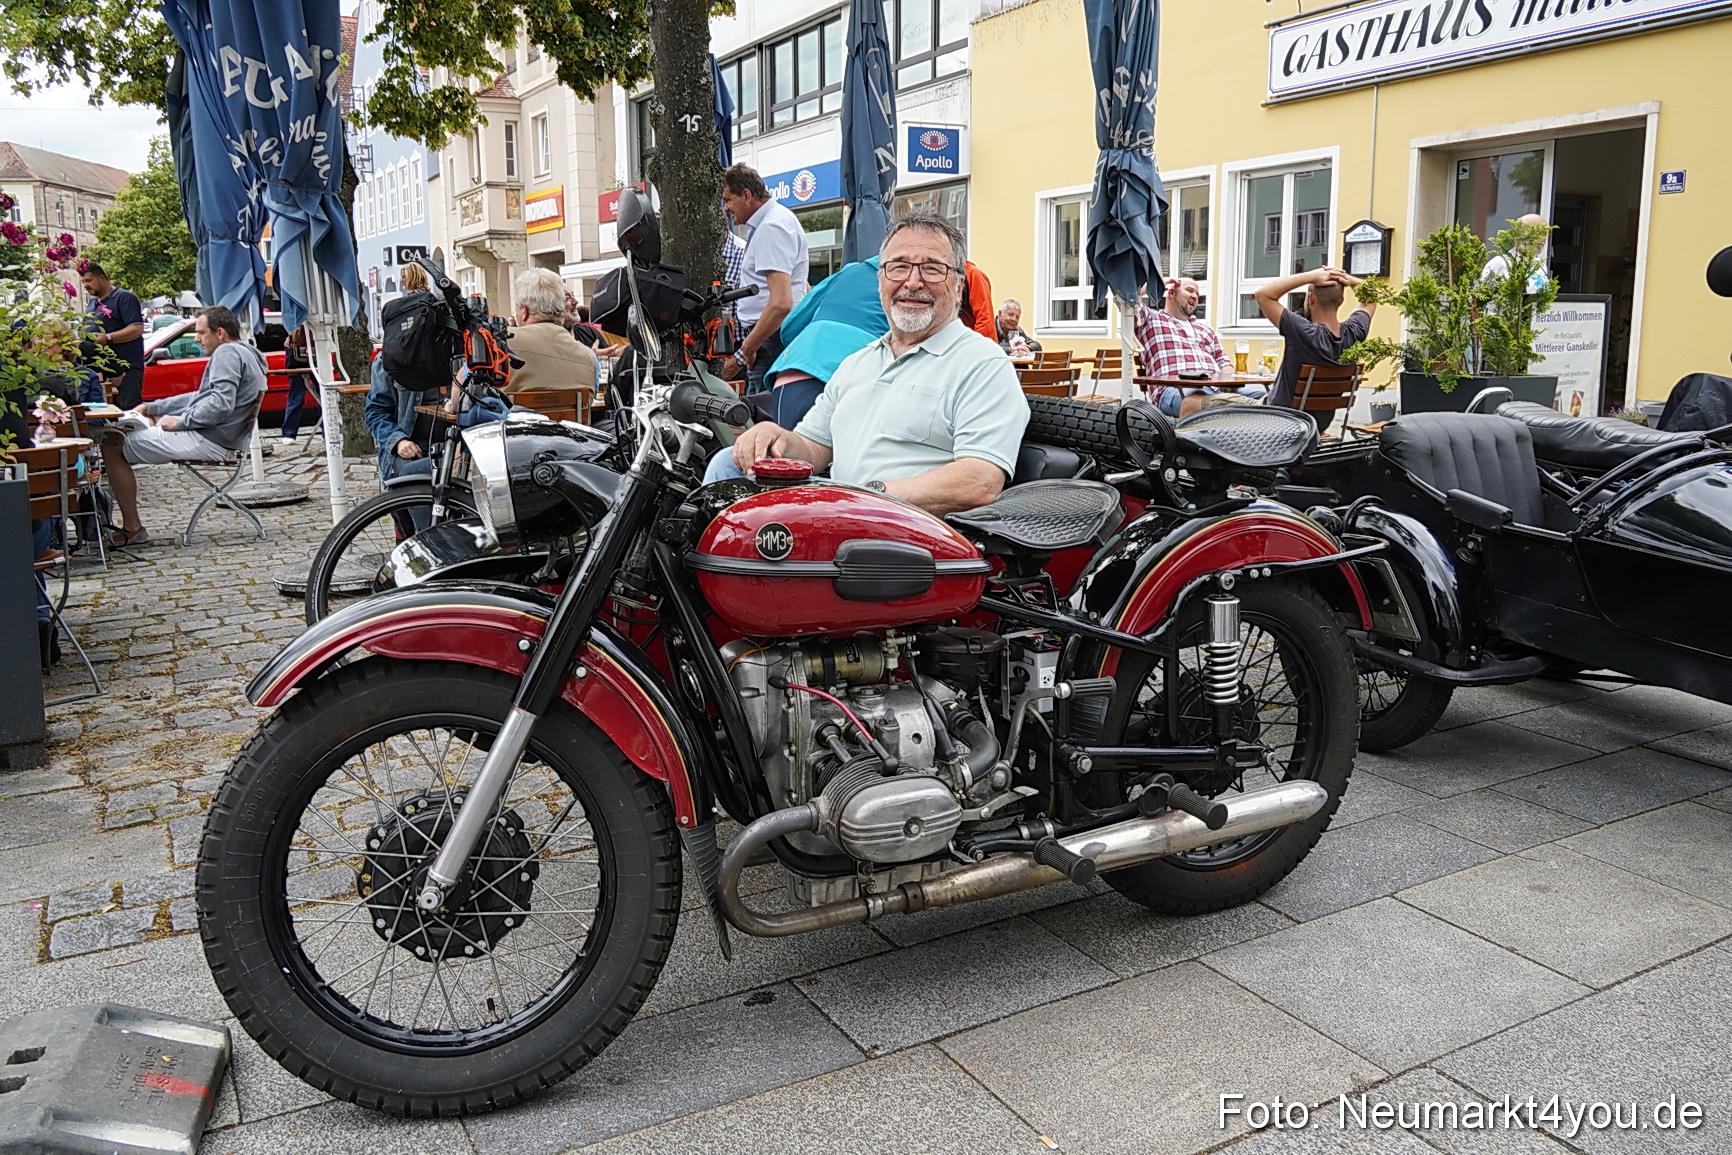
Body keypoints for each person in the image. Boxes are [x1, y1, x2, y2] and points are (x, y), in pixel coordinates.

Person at [712, 212, 1028, 517]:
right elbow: (812, 447)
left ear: (959, 286)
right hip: (837, 515)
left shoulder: (983, 363)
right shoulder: (857, 362)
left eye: (932, 269)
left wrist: (869, 495)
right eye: (898, 267)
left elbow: (979, 481)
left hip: (906, 537)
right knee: (726, 464)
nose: (913, 282)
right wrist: (774, 435)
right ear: (880, 282)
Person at [100, 305, 266, 545]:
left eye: (200, 333)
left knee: (112, 444)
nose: (197, 339)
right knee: (134, 428)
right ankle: (130, 526)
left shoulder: (226, 353)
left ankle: (132, 528)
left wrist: (180, 423)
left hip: (211, 441)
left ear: (220, 333)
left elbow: (220, 405)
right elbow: (200, 397)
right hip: (221, 438)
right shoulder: (248, 352)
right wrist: (152, 408)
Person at [760, 255, 889, 429]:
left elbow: (791, 326)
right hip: (865, 382)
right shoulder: (923, 286)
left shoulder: (852, 271)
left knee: (789, 453)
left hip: (799, 373)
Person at [719, 164, 809, 393]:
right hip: (773, 337)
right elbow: (801, 285)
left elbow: (781, 303)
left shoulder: (771, 227)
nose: (726, 209)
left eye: (728, 200)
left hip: (770, 340)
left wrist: (748, 347)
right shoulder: (776, 220)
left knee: (762, 421)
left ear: (747, 195)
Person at [1254, 266, 1376, 432]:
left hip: (1277, 420)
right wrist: (1345, 278)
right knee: (1250, 394)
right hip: (1316, 427)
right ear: (1341, 301)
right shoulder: (1354, 333)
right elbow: (1371, 295)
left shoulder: (1304, 332)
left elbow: (1263, 294)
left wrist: (1310, 276)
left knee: (1209, 399)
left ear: (1311, 299)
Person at [1135, 276, 1265, 417]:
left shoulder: (1205, 330)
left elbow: (1224, 363)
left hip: (1217, 389)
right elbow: (1127, 299)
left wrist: (1227, 385)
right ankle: (1253, 407)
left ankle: (1249, 405)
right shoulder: (1152, 320)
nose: (1195, 296)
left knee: (1269, 396)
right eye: (1189, 290)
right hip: (1174, 390)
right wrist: (1159, 283)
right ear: (1171, 293)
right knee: (1195, 400)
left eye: (1197, 294)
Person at [506, 268, 598, 397]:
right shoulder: (588, 356)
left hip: (513, 416)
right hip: (572, 417)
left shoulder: (500, 343)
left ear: (524, 311)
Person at [79, 262, 146, 409]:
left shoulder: (124, 298)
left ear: (102, 278)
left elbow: (137, 328)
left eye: (89, 281)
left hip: (126, 369)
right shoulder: (92, 303)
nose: (85, 285)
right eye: (83, 282)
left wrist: (108, 338)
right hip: (103, 371)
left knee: (129, 413)